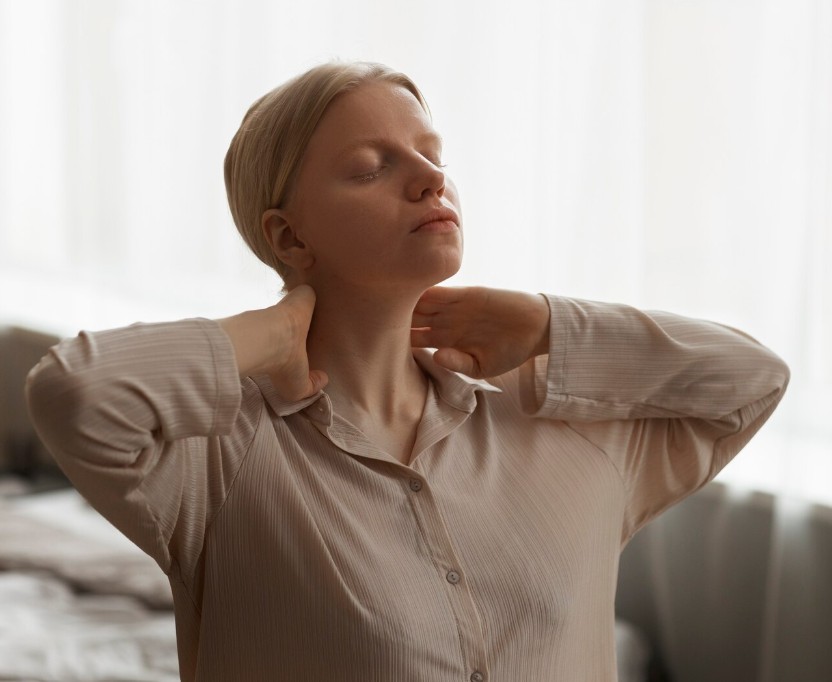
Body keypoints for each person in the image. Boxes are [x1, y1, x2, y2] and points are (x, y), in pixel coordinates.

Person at [26, 61, 789, 681]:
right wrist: (270, 330)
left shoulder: (562, 421)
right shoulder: (220, 458)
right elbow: (76, 392)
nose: (430, 180)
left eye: (433, 156)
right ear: (289, 236)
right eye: (371, 168)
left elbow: (751, 378)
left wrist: (549, 322)